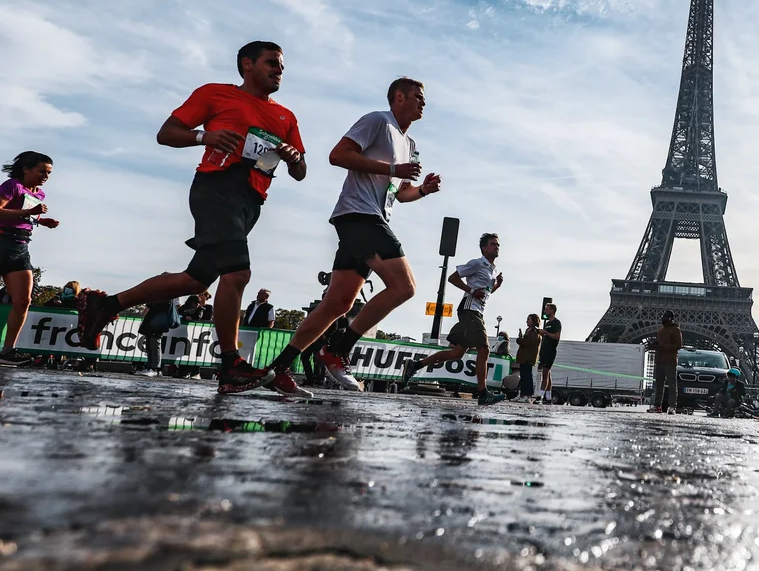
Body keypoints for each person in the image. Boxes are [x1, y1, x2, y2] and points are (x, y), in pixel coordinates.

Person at [76, 42, 306, 395]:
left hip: (252, 199)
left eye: (281, 66)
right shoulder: (215, 94)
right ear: (247, 64)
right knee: (238, 274)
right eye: (272, 63)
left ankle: (106, 305)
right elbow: (166, 134)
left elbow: (301, 171)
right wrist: (205, 136)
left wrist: (292, 157)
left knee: (195, 281)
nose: (279, 71)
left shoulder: (286, 116)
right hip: (216, 189)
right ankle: (230, 365)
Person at [262, 77, 441, 397]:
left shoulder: (410, 145)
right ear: (399, 97)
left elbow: (400, 194)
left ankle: (278, 369)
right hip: (359, 215)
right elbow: (338, 155)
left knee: (337, 303)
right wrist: (391, 170)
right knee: (404, 287)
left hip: (370, 216)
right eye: (418, 96)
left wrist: (423, 191)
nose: (423, 103)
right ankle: (337, 350)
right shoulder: (378, 121)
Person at [399, 234, 505, 405]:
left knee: (457, 353)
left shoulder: (492, 269)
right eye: (493, 244)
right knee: (484, 348)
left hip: (477, 312)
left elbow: (484, 293)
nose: (497, 247)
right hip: (469, 310)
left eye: (498, 245)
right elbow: (453, 278)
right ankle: (483, 393)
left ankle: (415, 366)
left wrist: (496, 285)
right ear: (484, 248)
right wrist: (471, 290)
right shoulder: (477, 263)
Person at [0, 152, 59, 366]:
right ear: (26, 169)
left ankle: (7, 352)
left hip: (20, 247)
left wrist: (42, 221)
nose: (46, 176)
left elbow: (26, 215)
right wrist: (32, 212)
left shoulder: (39, 194)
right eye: (42, 171)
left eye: (49, 173)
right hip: (1, 241)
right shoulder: (12, 185)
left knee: (23, 301)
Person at [648, 311, 683, 414]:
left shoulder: (676, 330)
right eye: (663, 316)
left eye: (665, 316)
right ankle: (657, 406)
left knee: (672, 385)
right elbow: (661, 344)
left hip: (670, 361)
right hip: (660, 360)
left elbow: (679, 345)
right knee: (658, 385)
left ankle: (672, 407)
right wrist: (655, 344)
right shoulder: (660, 330)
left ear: (671, 318)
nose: (663, 318)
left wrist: (662, 346)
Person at [535, 303, 562, 404]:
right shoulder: (547, 323)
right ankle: (548, 397)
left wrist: (545, 333)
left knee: (545, 374)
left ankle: (540, 396)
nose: (545, 311)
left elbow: (557, 336)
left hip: (550, 351)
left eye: (547, 309)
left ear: (552, 310)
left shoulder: (556, 323)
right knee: (547, 373)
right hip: (544, 350)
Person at [512, 314, 541, 403]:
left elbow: (528, 342)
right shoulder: (529, 330)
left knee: (527, 376)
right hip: (524, 357)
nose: (527, 321)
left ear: (533, 321)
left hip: (528, 357)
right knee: (524, 376)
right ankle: (522, 394)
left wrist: (519, 339)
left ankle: (527, 395)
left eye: (529, 319)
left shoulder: (534, 332)